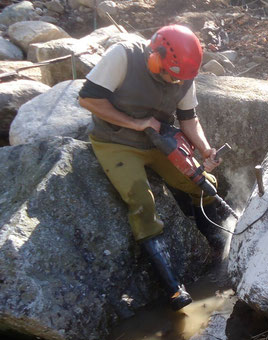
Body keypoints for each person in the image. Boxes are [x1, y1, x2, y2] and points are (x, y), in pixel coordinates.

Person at [78, 25, 225, 311]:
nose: (175, 83)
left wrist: (205, 148)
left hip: (159, 140)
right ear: (155, 57)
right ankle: (172, 287)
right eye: (172, 75)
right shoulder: (124, 56)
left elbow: (188, 118)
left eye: (181, 78)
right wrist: (136, 123)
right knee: (142, 200)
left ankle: (215, 240)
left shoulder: (183, 73)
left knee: (203, 183)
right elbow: (87, 99)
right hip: (116, 141)